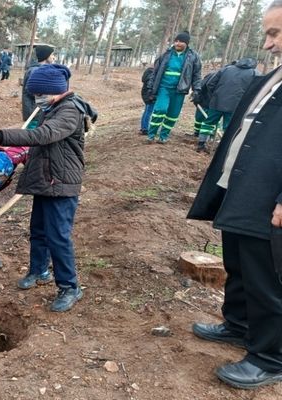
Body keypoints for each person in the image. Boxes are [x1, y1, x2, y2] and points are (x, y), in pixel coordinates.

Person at [187, 1, 282, 389]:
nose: (268, 42)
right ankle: (239, 323)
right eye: (267, 33)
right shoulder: (275, 74)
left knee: (267, 276)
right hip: (243, 187)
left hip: (268, 197)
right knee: (239, 263)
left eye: (274, 33)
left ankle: (270, 357)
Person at [0, 64, 98, 312]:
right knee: (38, 230)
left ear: (57, 91)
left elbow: (43, 135)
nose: (37, 99)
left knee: (58, 237)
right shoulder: (52, 107)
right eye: (34, 94)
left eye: (41, 94)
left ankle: (70, 287)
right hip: (46, 181)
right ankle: (39, 270)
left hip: (61, 184)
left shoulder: (69, 111)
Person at [145, 31, 202, 143]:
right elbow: (155, 72)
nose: (177, 43)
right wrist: (150, 88)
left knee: (172, 114)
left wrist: (196, 90)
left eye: (180, 41)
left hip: (180, 90)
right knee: (160, 109)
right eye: (176, 41)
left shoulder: (193, 57)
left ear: (186, 43)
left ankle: (163, 137)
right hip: (163, 88)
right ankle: (151, 135)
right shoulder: (166, 55)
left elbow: (197, 75)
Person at [195, 57, 260, 152]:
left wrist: (215, 95)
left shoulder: (226, 69)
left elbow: (210, 84)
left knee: (208, 122)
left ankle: (201, 144)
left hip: (217, 102)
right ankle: (223, 149)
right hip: (235, 105)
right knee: (228, 127)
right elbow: (256, 90)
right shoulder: (255, 73)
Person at [21, 45, 55, 127]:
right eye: (52, 55)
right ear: (46, 56)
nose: (54, 57)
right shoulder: (35, 71)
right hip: (34, 112)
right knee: (32, 137)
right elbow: (31, 90)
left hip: (39, 111)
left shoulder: (41, 70)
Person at [139, 65, 155, 135]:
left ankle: (143, 128)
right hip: (149, 95)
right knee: (148, 111)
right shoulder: (153, 74)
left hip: (145, 94)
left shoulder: (148, 72)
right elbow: (150, 86)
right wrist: (151, 95)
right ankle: (145, 129)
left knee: (146, 111)